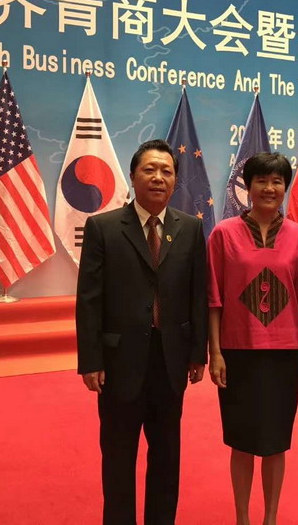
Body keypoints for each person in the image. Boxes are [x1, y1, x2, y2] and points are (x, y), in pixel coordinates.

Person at [77, 139, 208, 525]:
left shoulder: (190, 228)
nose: (158, 178)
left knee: (166, 456)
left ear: (175, 180)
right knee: (118, 458)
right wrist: (91, 360)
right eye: (150, 170)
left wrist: (197, 353)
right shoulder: (103, 227)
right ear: (133, 176)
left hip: (171, 361)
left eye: (166, 171)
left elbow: (197, 295)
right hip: (119, 362)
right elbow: (89, 299)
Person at [207, 152, 298, 525]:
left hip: (284, 354)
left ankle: (270, 518)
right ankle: (242, 518)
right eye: (261, 181)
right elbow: (214, 298)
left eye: (277, 181)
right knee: (241, 442)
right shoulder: (223, 234)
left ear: (285, 186)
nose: (269, 188)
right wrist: (215, 352)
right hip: (237, 353)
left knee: (275, 442)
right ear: (248, 187)